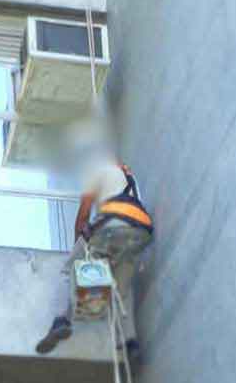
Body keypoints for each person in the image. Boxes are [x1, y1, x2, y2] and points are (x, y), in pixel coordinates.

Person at [35, 139, 154, 357]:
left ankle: (63, 319)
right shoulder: (129, 176)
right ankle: (129, 343)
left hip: (112, 226)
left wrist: (78, 249)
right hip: (141, 231)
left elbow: (82, 216)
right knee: (123, 289)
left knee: (72, 266)